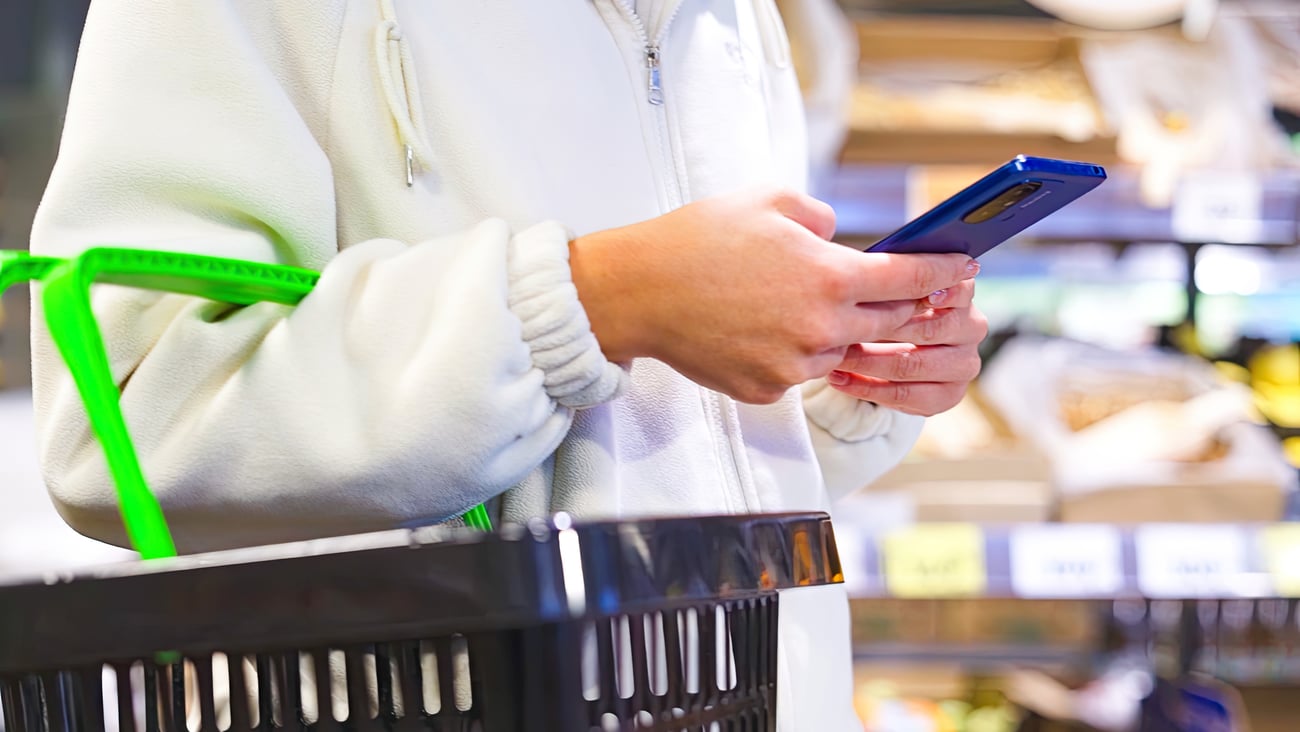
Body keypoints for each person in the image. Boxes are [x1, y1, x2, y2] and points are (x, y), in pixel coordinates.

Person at [30, 0, 987, 728]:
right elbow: (126, 424)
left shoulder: (731, 15)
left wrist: (838, 374)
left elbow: (663, 448)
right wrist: (594, 301)